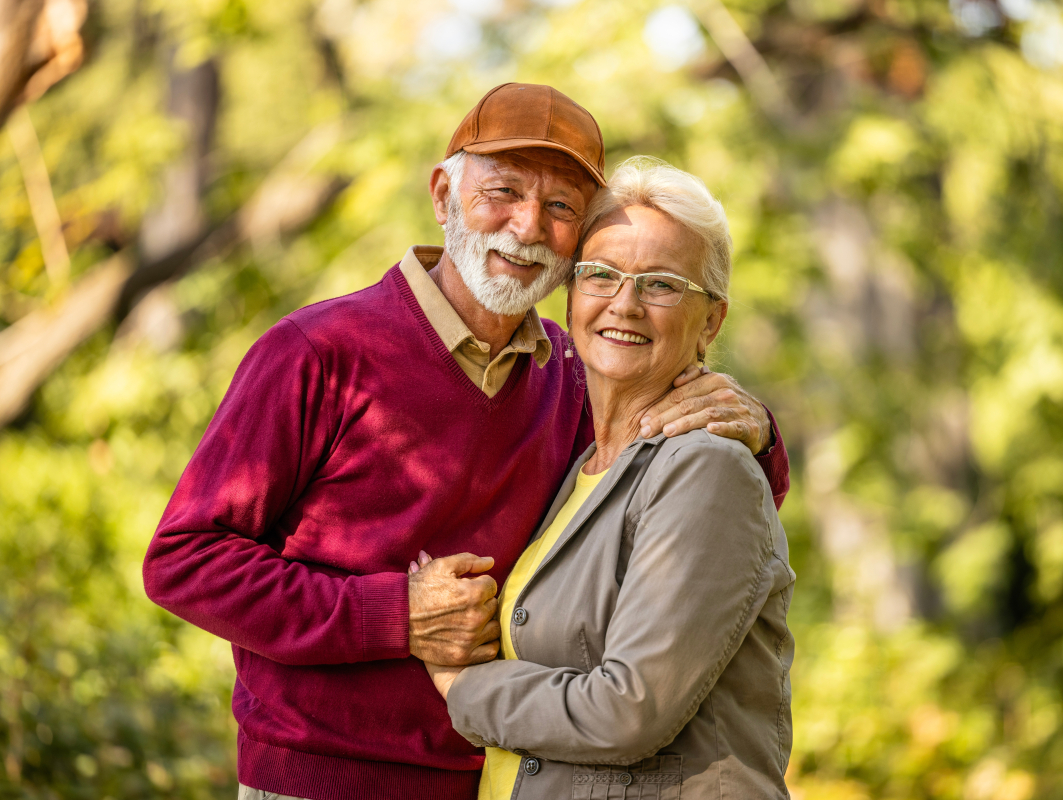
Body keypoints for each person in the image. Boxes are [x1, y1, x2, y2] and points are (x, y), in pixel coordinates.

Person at [142, 84, 790, 800]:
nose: (527, 226)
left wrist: (754, 434)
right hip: (321, 780)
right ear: (444, 193)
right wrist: (394, 615)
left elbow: (695, 520)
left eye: (561, 208)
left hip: (497, 775)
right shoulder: (317, 352)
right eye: (502, 192)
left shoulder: (581, 375)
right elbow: (183, 561)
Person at [424, 157, 795, 800]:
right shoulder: (581, 465)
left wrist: (462, 684)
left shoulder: (705, 468)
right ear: (570, 292)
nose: (624, 304)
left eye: (661, 285)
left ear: (711, 321)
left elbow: (629, 711)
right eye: (601, 275)